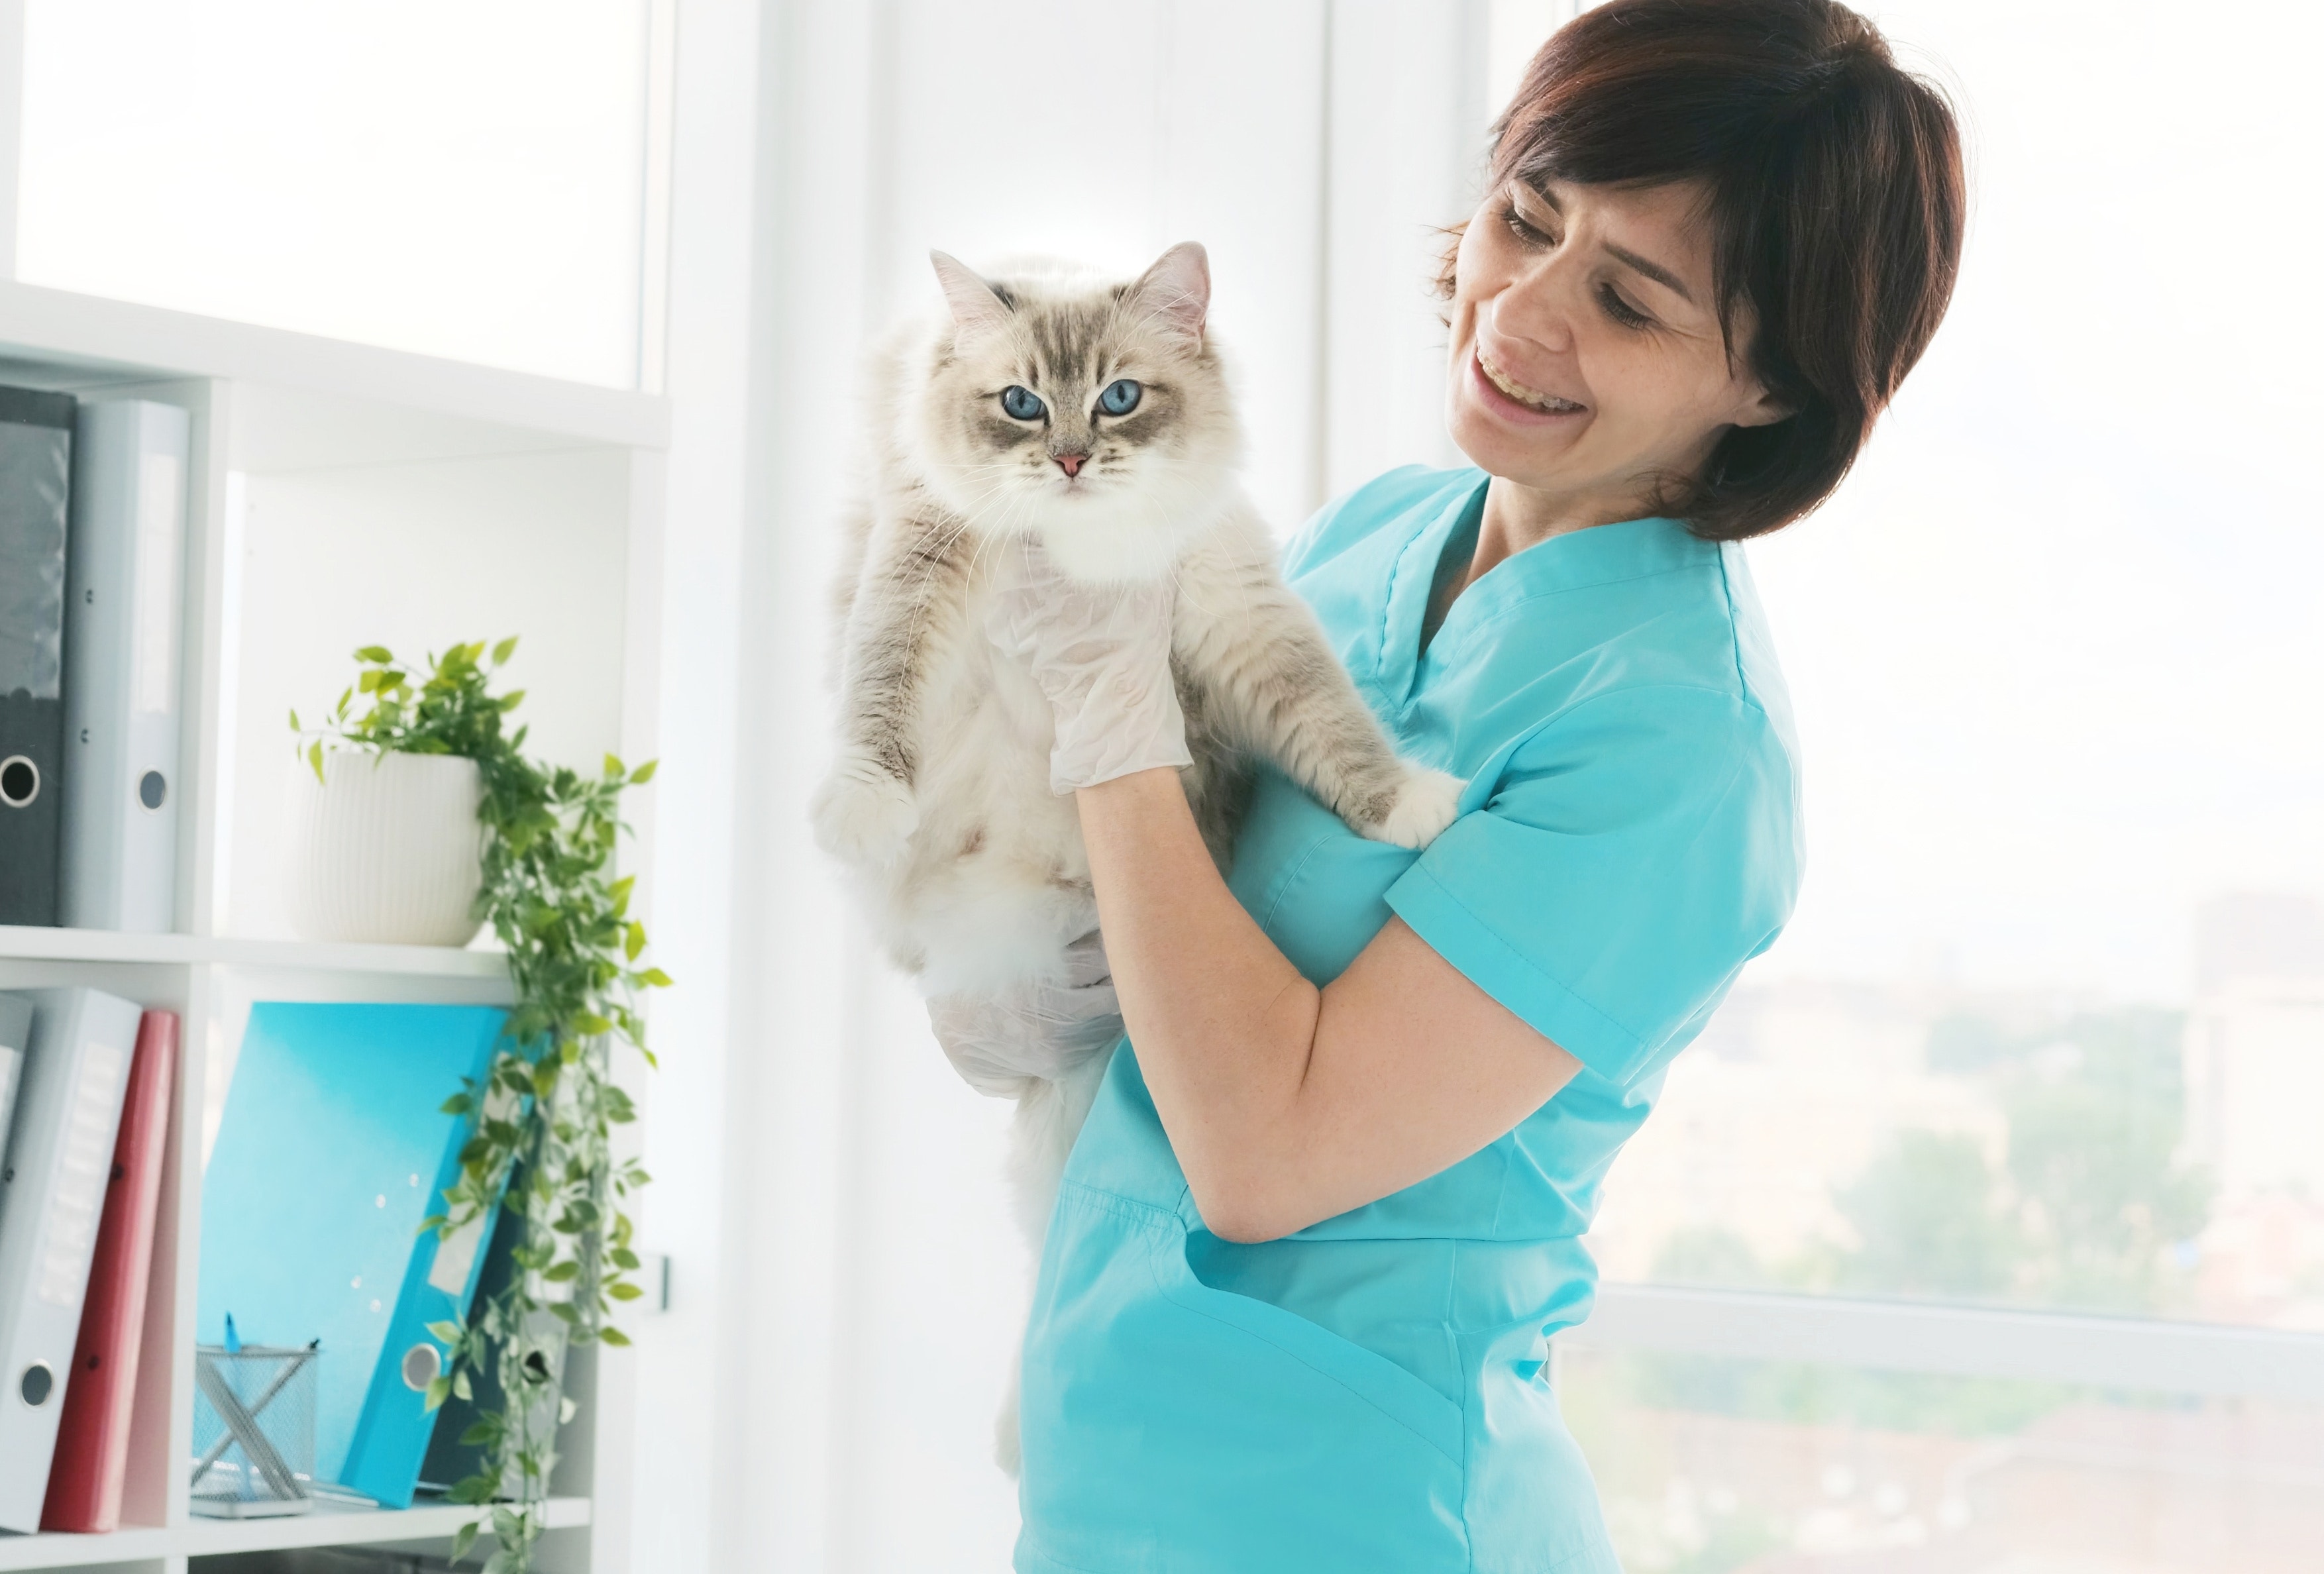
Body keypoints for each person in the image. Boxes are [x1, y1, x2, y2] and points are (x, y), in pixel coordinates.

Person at [939, 1, 1965, 1566]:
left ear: (1770, 384)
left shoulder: (1679, 749)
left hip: (1361, 1506)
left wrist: (1108, 706)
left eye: (1626, 300)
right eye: (1523, 219)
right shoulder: (1375, 532)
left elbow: (1266, 1153)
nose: (1518, 312)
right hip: (1111, 1470)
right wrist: (1010, 973)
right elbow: (1153, 900)